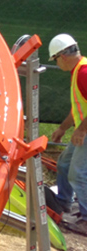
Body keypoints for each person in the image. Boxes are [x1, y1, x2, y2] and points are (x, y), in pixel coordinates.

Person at [49, 33, 87, 236]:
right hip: (84, 129)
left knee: (78, 174)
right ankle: (64, 202)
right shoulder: (78, 71)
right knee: (64, 163)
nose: (57, 63)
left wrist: (81, 130)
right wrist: (63, 128)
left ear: (62, 56)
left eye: (54, 59)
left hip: (86, 131)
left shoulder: (83, 73)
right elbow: (79, 106)